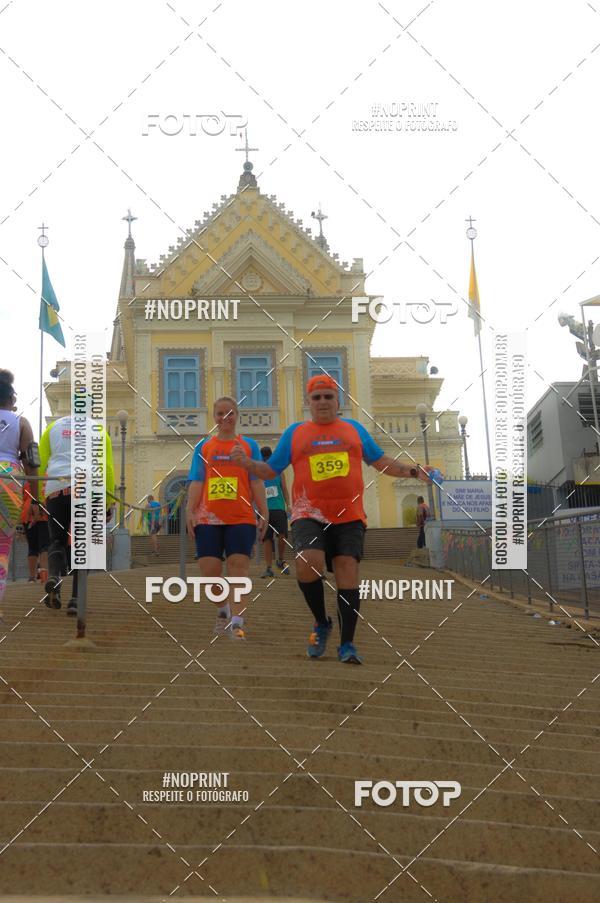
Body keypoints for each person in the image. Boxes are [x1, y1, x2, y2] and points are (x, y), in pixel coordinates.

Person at [231, 374, 436, 664]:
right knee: (306, 562)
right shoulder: (295, 433)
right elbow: (270, 470)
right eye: (317, 397)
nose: (323, 402)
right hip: (308, 513)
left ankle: (347, 644)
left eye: (329, 396)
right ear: (309, 402)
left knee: (347, 570)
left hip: (349, 515)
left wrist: (413, 471)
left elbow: (381, 462)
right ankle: (321, 622)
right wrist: (247, 464)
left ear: (337, 401)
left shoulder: (353, 430)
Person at [186, 396, 268, 640]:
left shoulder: (249, 445)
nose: (225, 418)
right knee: (209, 573)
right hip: (208, 518)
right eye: (220, 413)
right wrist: (190, 511)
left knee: (238, 571)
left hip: (241, 517)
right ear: (214, 417)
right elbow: (197, 481)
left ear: (237, 416)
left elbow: (256, 480)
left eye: (230, 413)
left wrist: (263, 511)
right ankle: (223, 610)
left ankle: (237, 623)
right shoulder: (204, 447)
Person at [39, 404, 115, 614]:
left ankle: (54, 576)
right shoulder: (98, 430)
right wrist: (107, 500)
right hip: (87, 488)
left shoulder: (53, 428)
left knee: (57, 540)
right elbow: (106, 467)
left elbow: (42, 462)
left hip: (57, 489)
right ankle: (75, 600)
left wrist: (38, 496)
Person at [0, 370, 38, 621]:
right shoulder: (21, 422)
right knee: (2, 547)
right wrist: (34, 500)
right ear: (11, 398)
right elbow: (32, 465)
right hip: (9, 481)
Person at [259, 445, 291, 578]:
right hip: (264, 510)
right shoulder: (258, 473)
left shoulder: (278, 471)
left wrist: (288, 505)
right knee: (266, 539)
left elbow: (284, 488)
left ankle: (281, 560)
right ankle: (268, 567)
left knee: (282, 535)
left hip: (278, 508)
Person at [21, 482, 49, 582]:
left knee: (32, 547)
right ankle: (44, 576)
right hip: (42, 512)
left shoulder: (24, 481)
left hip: (27, 513)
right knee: (44, 546)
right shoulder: (43, 478)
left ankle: (32, 577)